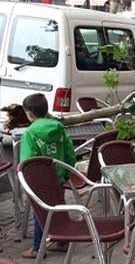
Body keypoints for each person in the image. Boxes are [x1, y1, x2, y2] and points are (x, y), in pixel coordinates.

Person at [20, 93, 75, 258]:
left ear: (29, 114)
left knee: (40, 213)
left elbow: (28, 160)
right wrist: (66, 173)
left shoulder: (30, 133)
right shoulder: (59, 127)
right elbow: (70, 152)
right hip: (58, 178)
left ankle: (38, 248)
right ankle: (61, 242)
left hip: (39, 181)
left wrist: (26, 181)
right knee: (58, 208)